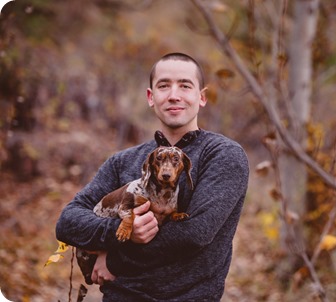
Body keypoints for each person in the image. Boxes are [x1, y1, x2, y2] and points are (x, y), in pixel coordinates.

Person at [55, 52, 249, 301]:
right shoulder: (124, 161)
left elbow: (194, 233)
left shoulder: (223, 155)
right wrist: (121, 231)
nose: (174, 95)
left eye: (185, 85)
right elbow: (68, 222)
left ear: (202, 97)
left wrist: (114, 260)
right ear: (151, 97)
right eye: (164, 85)